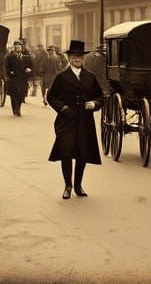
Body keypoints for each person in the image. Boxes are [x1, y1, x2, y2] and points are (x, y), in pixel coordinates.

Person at [46, 40, 103, 199]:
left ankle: (78, 185)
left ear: (83, 58)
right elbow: (51, 96)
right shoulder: (62, 77)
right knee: (66, 152)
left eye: (79, 56)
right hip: (67, 120)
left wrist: (95, 103)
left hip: (85, 121)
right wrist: (62, 108)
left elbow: (100, 97)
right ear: (69, 58)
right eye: (74, 56)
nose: (77, 59)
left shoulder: (90, 77)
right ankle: (68, 186)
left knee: (82, 153)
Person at [4, 40, 33, 116]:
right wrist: (10, 72)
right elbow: (7, 67)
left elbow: (30, 66)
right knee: (14, 95)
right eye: (16, 47)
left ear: (21, 48)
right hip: (13, 79)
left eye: (19, 47)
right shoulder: (10, 58)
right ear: (14, 48)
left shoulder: (26, 58)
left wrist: (29, 69)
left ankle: (18, 108)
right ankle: (15, 109)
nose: (18, 49)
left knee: (21, 94)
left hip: (22, 79)